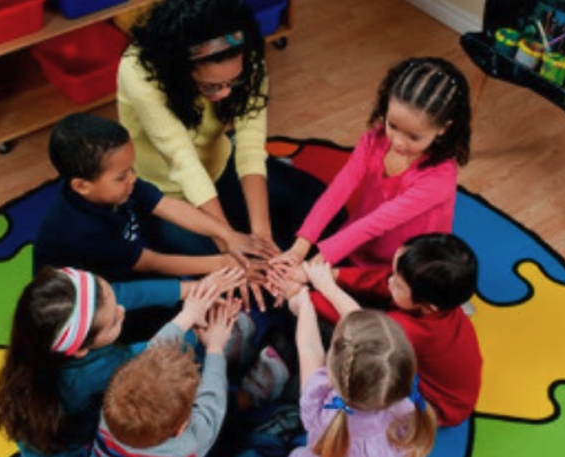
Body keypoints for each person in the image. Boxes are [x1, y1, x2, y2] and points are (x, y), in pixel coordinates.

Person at [119, 0, 332, 261]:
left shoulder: (244, 52)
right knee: (228, 267)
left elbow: (250, 146)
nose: (225, 93)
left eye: (234, 81)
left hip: (220, 164)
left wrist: (261, 234)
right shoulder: (138, 71)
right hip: (167, 193)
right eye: (211, 86)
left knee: (324, 211)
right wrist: (227, 238)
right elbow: (183, 162)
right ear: (179, 73)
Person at [0, 266, 243, 457]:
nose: (121, 309)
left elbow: (123, 295)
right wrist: (208, 337)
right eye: (112, 322)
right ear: (80, 350)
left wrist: (190, 294)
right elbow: (153, 362)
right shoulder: (93, 375)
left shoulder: (33, 349)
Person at [272, 57, 472, 268]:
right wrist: (299, 248)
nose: (397, 142)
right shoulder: (374, 140)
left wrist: (315, 264)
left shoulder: (439, 177)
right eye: (392, 125)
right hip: (361, 241)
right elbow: (338, 191)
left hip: (405, 265)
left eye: (413, 137)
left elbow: (376, 223)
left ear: (443, 129)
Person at [273, 233, 482, 426]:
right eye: (393, 272)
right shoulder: (427, 302)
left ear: (428, 307)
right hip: (424, 364)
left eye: (398, 283)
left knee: (342, 344)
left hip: (435, 405)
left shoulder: (416, 331)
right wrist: (327, 276)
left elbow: (362, 325)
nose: (390, 280)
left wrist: (304, 295)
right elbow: (378, 281)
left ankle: (293, 403)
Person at [33, 112, 265, 283]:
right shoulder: (81, 231)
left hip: (124, 256)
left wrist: (227, 234)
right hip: (95, 291)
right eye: (122, 176)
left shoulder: (122, 184)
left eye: (132, 169)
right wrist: (224, 264)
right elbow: (149, 261)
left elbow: (167, 205)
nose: (133, 178)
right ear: (82, 186)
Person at [285, 291, 437, 457]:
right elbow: (365, 333)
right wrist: (324, 284)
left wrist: (303, 302)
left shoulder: (323, 407)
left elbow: (310, 350)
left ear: (332, 364)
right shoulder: (406, 404)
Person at [94, 302, 238, 457]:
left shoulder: (111, 416)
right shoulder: (191, 443)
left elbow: (146, 358)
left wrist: (187, 317)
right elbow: (212, 405)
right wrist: (215, 347)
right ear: (181, 429)